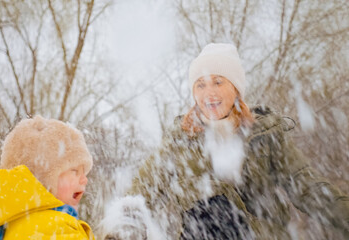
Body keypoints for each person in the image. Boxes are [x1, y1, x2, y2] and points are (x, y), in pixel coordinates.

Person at [101, 43, 349, 239]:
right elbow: (142, 192)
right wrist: (122, 228)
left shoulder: (265, 137)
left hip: (259, 235)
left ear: (236, 89)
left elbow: (309, 189)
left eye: (218, 82)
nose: (209, 93)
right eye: (200, 85)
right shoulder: (180, 143)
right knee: (208, 211)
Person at [0, 116, 95, 239]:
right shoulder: (54, 228)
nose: (84, 179)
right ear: (42, 178)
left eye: (84, 172)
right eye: (74, 170)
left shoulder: (6, 227)